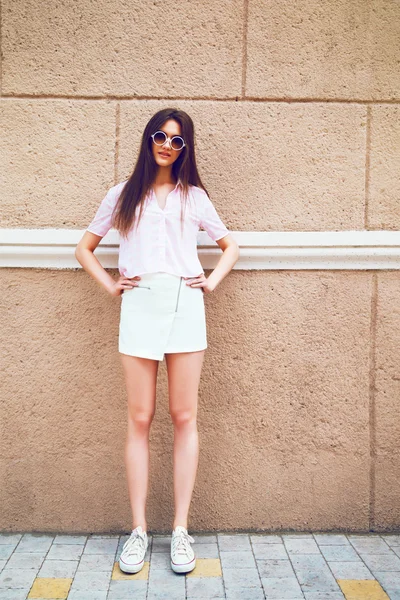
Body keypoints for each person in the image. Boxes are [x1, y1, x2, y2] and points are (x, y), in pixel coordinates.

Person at [75, 107, 239, 575]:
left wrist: (211, 281)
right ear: (148, 140)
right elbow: (84, 247)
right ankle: (139, 530)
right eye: (160, 136)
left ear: (186, 149)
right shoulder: (122, 195)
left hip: (186, 306)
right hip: (140, 305)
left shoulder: (195, 197)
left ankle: (181, 530)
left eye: (178, 140)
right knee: (140, 417)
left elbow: (230, 246)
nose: (168, 145)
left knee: (184, 415)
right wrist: (111, 286)